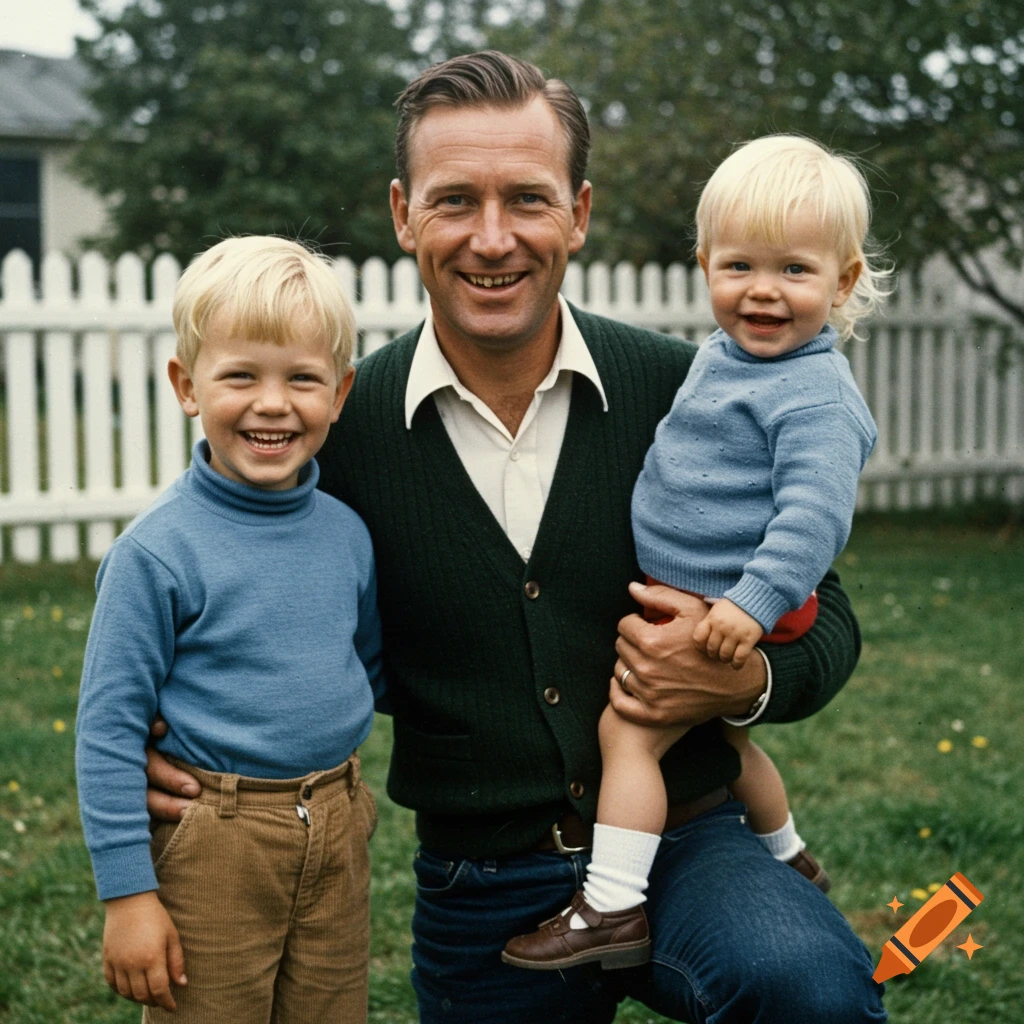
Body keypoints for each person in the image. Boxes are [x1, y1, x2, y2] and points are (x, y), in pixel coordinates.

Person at [144, 53, 887, 1023]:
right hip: (479, 873)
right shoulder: (341, 430)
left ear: (577, 213)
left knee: (817, 993)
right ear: (403, 213)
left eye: (527, 200)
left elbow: (825, 616)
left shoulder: (694, 390)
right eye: (455, 201)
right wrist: (175, 717)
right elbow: (217, 565)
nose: (492, 240)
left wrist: (744, 681)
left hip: (691, 836)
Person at [502, 135, 881, 970]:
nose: (764, 292)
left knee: (630, 732)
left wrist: (748, 606)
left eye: (795, 271)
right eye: (740, 267)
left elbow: (814, 522)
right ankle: (790, 859)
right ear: (705, 264)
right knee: (730, 747)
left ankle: (610, 906)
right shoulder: (723, 356)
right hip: (704, 592)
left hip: (734, 603)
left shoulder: (815, 394)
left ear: (844, 280)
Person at [75, 236, 383, 1022]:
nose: (272, 403)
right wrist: (128, 897)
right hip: (215, 837)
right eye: (240, 375)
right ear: (187, 385)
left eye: (303, 379)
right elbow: (108, 729)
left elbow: (369, 667)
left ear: (340, 392)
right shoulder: (156, 553)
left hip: (337, 823)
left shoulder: (348, 531)